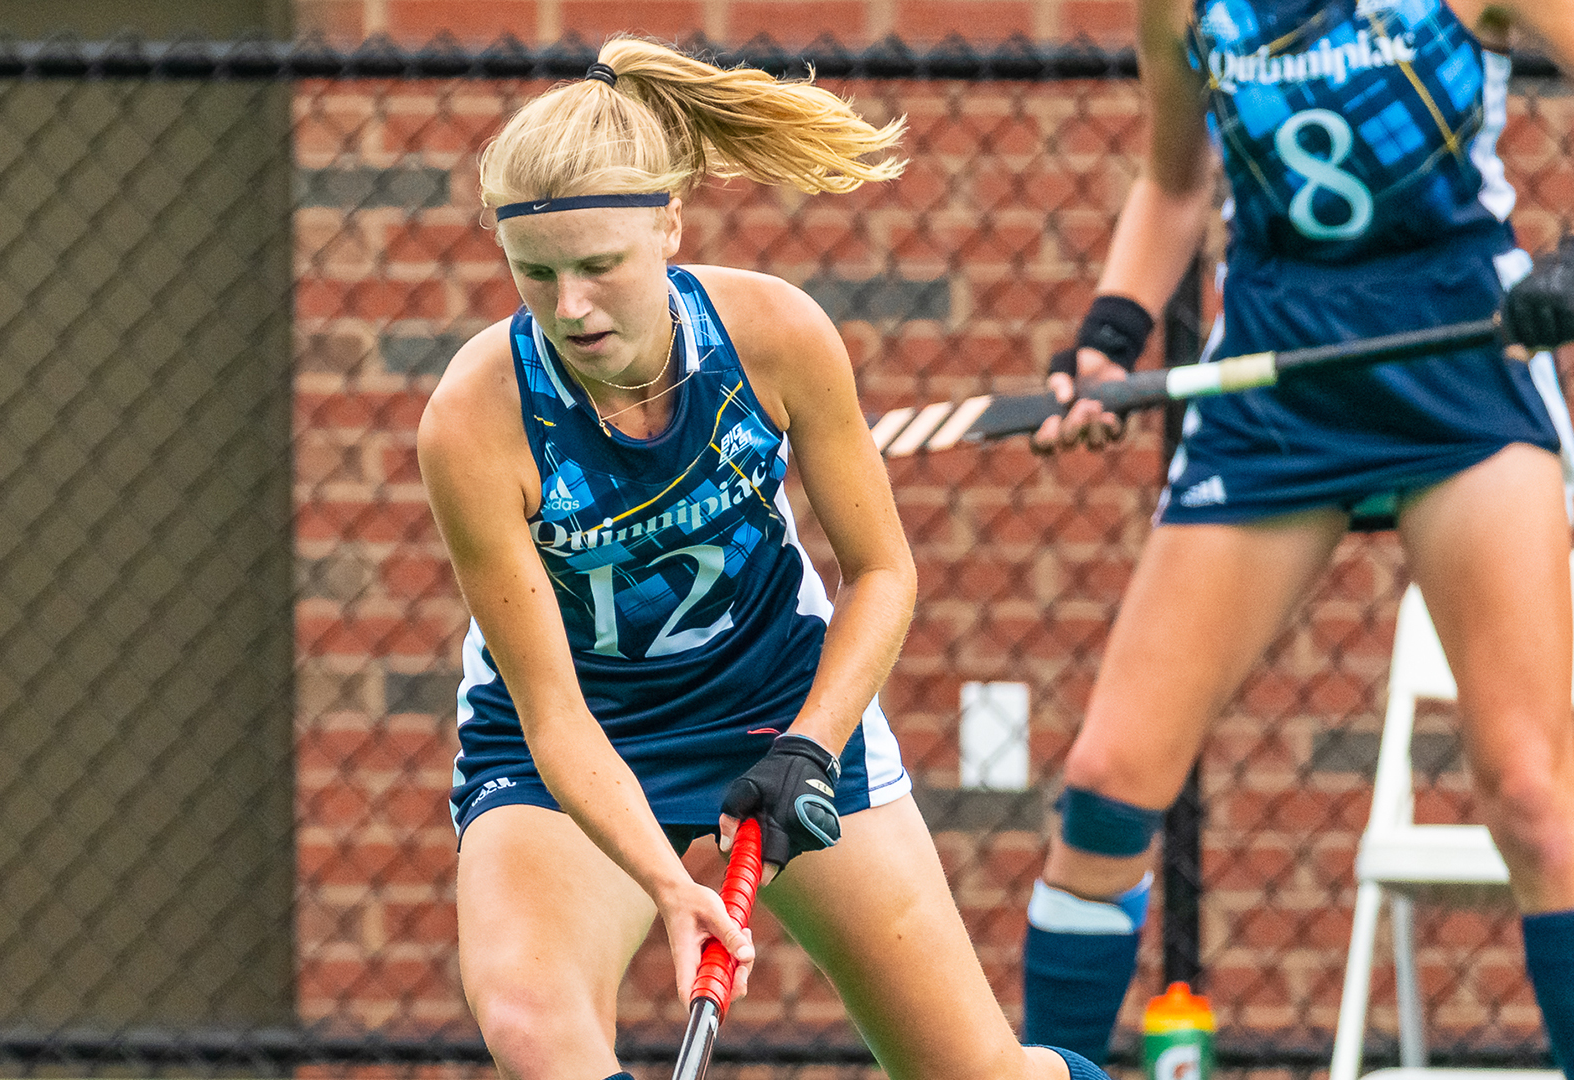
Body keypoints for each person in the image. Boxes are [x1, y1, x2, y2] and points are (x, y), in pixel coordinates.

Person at [418, 37, 1106, 1080]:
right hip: (577, 737)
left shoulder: (775, 335)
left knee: (973, 1073)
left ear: (669, 225)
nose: (571, 309)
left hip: (777, 706)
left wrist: (808, 749)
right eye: (537, 274)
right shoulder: (475, 421)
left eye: (599, 267)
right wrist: (670, 886)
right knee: (530, 1023)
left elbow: (884, 574)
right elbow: (553, 714)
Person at [1022, 0, 1574, 1068]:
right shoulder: (1184, 8)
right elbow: (1174, 185)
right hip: (1277, 389)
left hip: (1466, 375)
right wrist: (1105, 341)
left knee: (1531, 794)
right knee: (1109, 776)